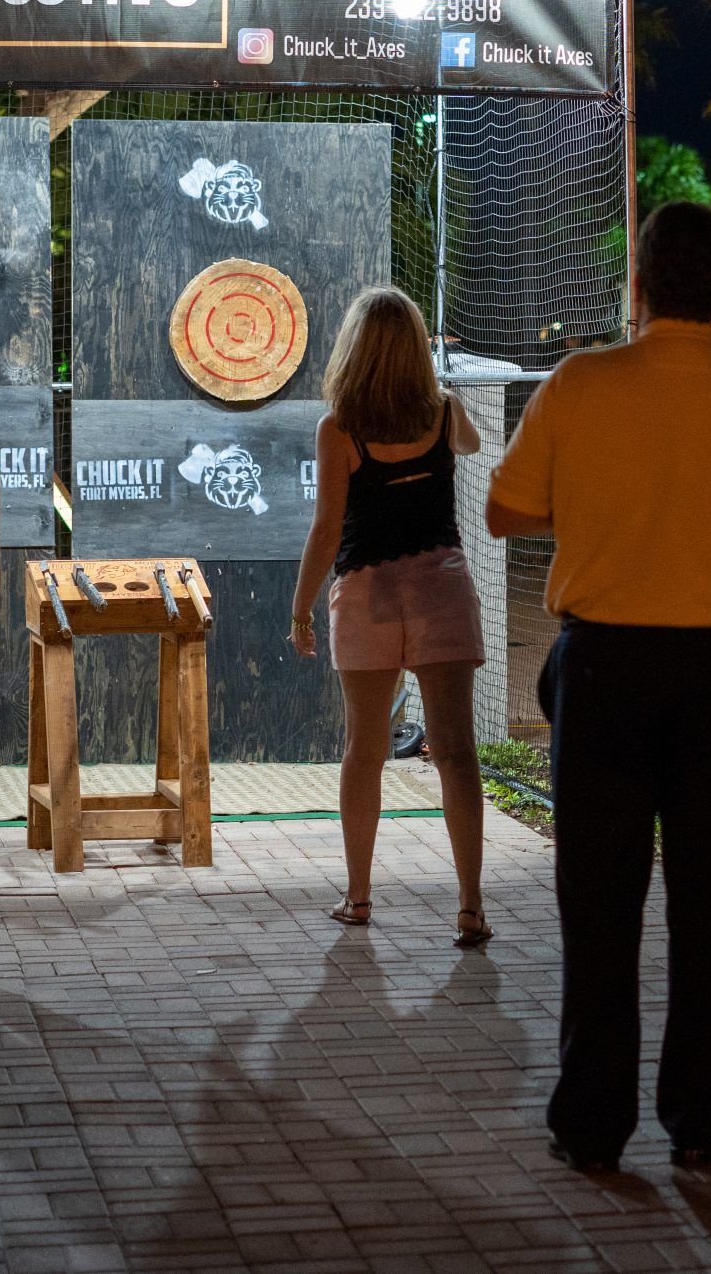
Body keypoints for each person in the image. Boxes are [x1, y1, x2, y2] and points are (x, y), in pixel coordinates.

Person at [485, 201, 711, 1174]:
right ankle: (699, 1116)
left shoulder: (580, 384)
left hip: (605, 670)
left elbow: (505, 511)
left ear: (638, 284)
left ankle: (594, 1120)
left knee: (598, 902)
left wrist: (595, 502)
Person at [290, 287, 489, 944]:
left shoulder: (338, 428)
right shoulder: (444, 412)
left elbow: (326, 530)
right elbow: (471, 443)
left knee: (364, 751)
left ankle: (358, 896)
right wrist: (443, 401)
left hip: (366, 596)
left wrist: (301, 607)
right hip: (442, 591)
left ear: (354, 349)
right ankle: (470, 905)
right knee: (456, 752)